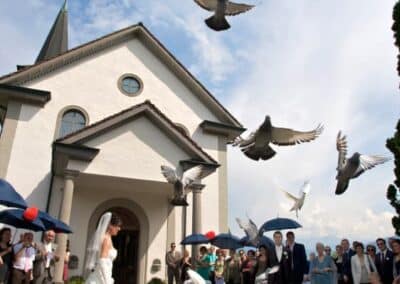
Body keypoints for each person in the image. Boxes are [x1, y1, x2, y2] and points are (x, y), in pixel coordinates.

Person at [85, 212, 122, 284]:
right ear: (110, 225)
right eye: (117, 226)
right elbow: (102, 261)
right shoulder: (106, 239)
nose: (119, 229)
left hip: (101, 274)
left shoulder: (106, 238)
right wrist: (107, 281)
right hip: (101, 277)